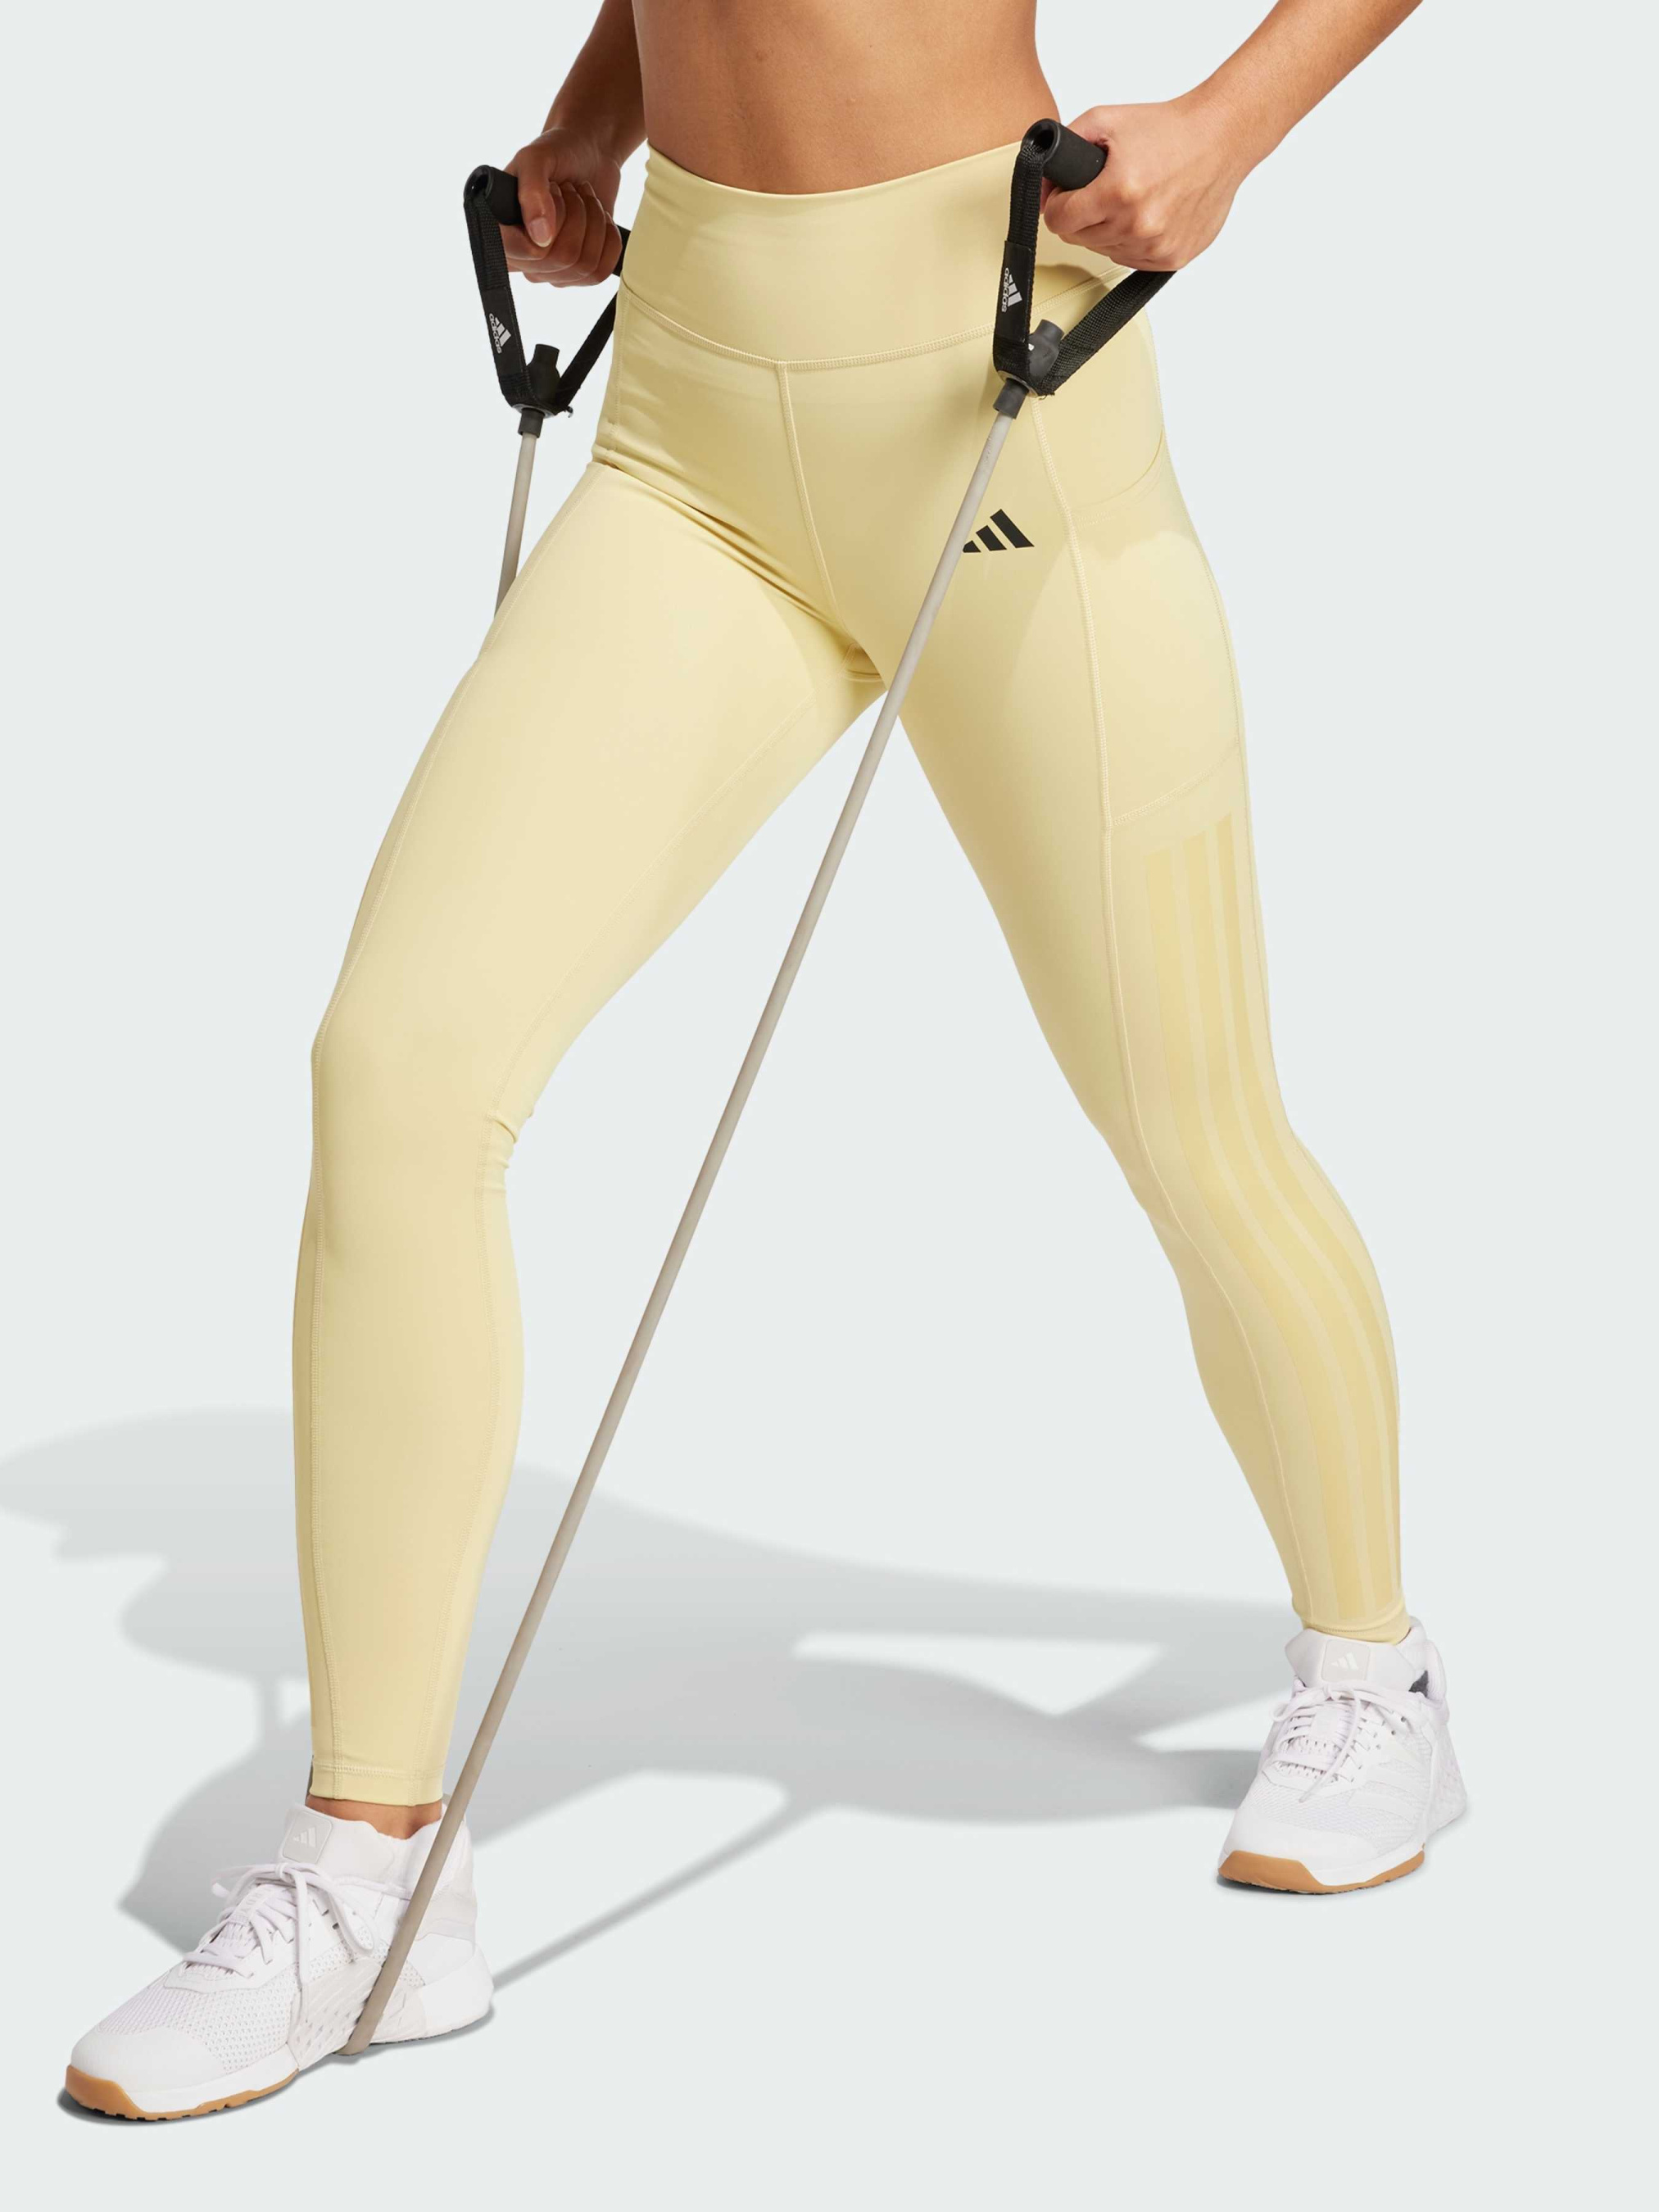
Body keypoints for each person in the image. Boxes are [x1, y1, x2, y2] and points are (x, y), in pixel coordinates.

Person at [66, 0, 1463, 2122]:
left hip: (992, 361)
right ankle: (369, 1876)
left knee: (1186, 1119)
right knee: (399, 1071)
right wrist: (589, 123)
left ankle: (1374, 1673)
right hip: (695, 414)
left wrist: (1229, 128)